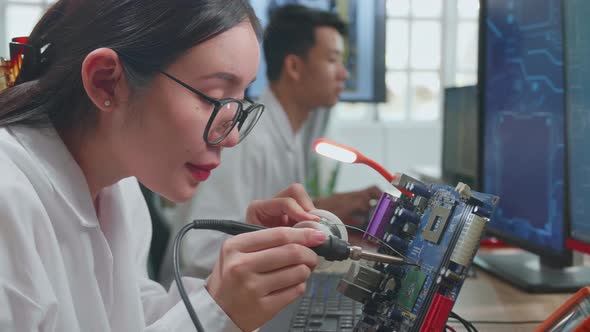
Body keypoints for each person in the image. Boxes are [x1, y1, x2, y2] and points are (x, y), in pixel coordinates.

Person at [0, 1, 332, 331]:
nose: (230, 138)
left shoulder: (119, 185)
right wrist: (217, 313)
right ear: (107, 82)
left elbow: (133, 316)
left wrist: (234, 288)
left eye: (239, 102)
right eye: (213, 97)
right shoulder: (8, 198)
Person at [159, 4, 382, 284]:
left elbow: (258, 215)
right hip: (198, 303)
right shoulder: (243, 139)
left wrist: (325, 209)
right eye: (333, 60)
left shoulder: (292, 133)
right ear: (294, 67)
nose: (344, 74)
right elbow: (198, 251)